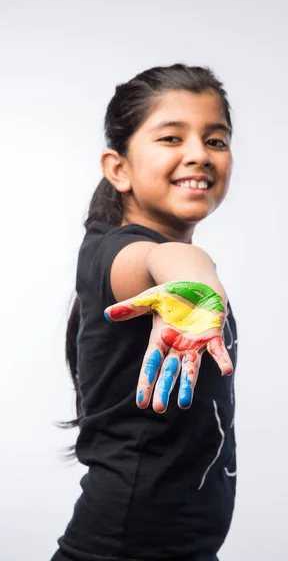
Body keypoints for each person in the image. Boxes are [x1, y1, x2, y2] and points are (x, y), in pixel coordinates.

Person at [51, 64, 238, 561]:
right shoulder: (111, 255)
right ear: (119, 168)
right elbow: (169, 260)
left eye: (215, 140)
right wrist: (196, 283)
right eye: (171, 138)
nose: (198, 154)